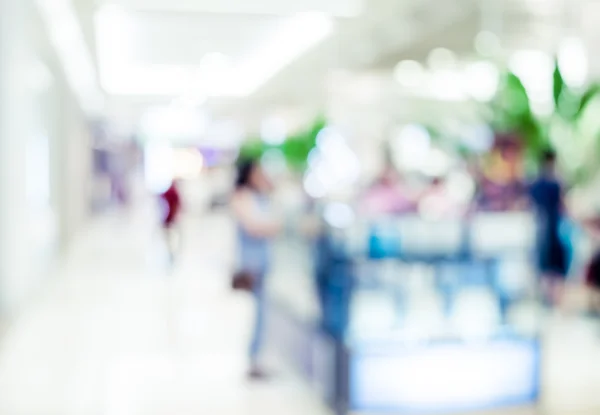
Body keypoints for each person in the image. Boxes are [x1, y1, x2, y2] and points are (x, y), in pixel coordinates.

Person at [231, 159, 281, 379]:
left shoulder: (260, 195)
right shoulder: (242, 197)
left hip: (263, 261)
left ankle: (258, 358)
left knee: (262, 314)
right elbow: (254, 226)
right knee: (257, 315)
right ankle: (253, 359)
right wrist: (273, 226)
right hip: (252, 264)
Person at [529, 150, 568, 307]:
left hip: (546, 229)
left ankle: (550, 299)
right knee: (550, 264)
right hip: (551, 229)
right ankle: (551, 299)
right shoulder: (554, 183)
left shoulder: (538, 183)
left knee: (548, 264)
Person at [159, 180, 182, 265]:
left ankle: (170, 254)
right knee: (170, 240)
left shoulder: (169, 193)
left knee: (170, 240)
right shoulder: (173, 193)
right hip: (170, 220)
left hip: (168, 220)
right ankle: (170, 254)